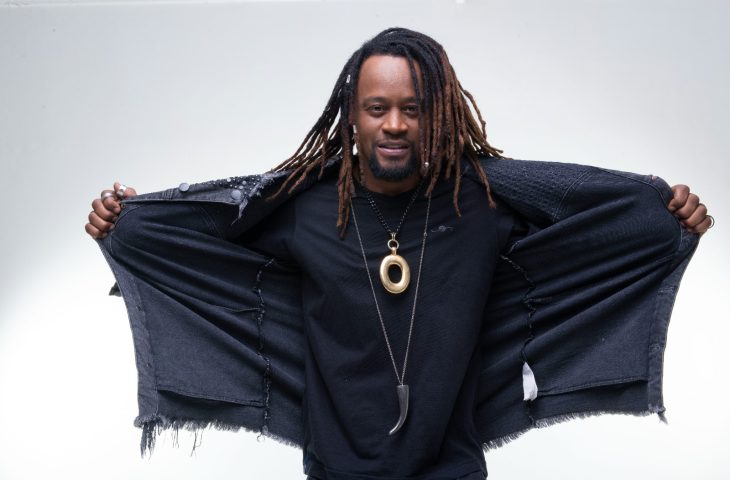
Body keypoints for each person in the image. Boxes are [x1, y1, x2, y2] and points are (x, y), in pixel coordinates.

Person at [85, 28, 711, 480]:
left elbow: (602, 223)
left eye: (413, 109)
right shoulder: (304, 206)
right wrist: (130, 223)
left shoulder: (482, 202)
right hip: (333, 472)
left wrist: (668, 217)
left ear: (438, 116)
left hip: (453, 470)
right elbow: (198, 242)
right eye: (377, 108)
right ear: (352, 118)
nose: (394, 125)